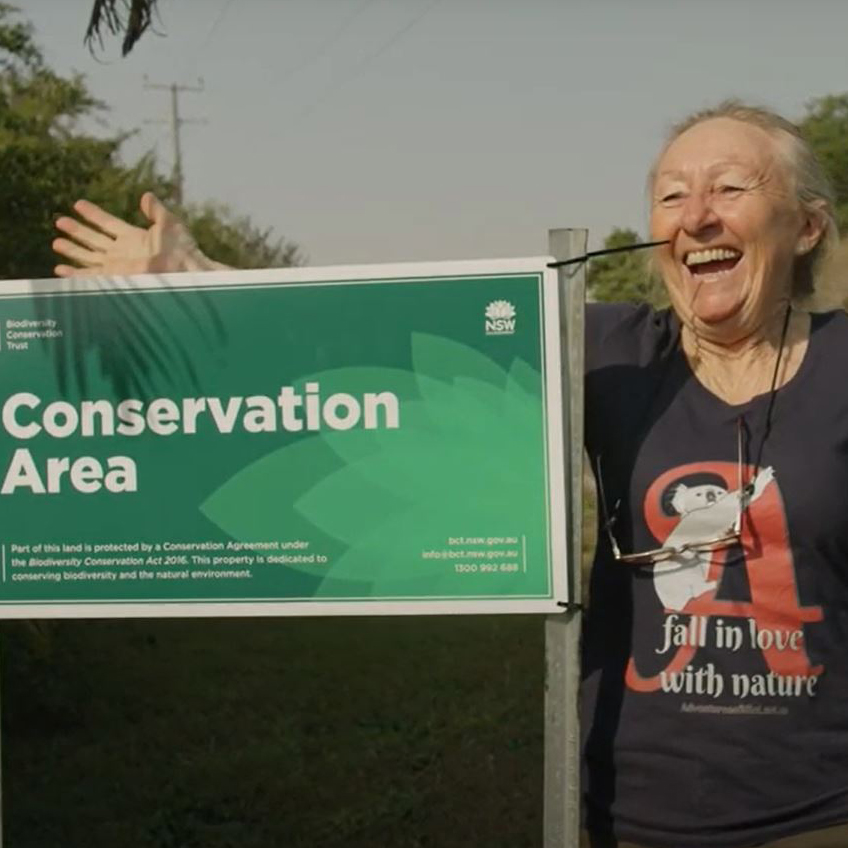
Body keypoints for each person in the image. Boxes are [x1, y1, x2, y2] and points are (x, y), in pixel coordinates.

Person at [53, 101, 848, 848]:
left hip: (822, 809)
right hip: (628, 810)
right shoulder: (608, 349)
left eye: (730, 188)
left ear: (808, 224)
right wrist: (201, 273)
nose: (696, 215)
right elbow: (379, 336)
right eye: (672, 195)